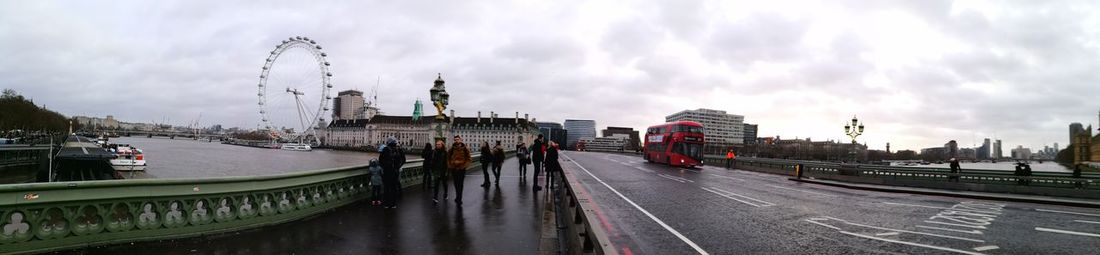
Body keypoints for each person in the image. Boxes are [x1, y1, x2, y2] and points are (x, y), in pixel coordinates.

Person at [379, 137, 406, 209]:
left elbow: (380, 161)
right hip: (395, 172)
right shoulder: (398, 150)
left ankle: (387, 204)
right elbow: (403, 160)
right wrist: (398, 166)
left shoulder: (385, 150)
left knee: (387, 188)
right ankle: (393, 204)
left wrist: (385, 166)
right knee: (393, 188)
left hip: (388, 172)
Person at [448, 135, 472, 205]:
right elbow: (448, 158)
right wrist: (450, 165)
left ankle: (459, 198)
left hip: (461, 169)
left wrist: (464, 166)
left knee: (460, 184)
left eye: (458, 139)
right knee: (456, 183)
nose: (456, 141)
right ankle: (457, 196)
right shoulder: (451, 149)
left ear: (461, 140)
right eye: (455, 139)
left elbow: (469, 159)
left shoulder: (465, 149)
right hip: (454, 169)